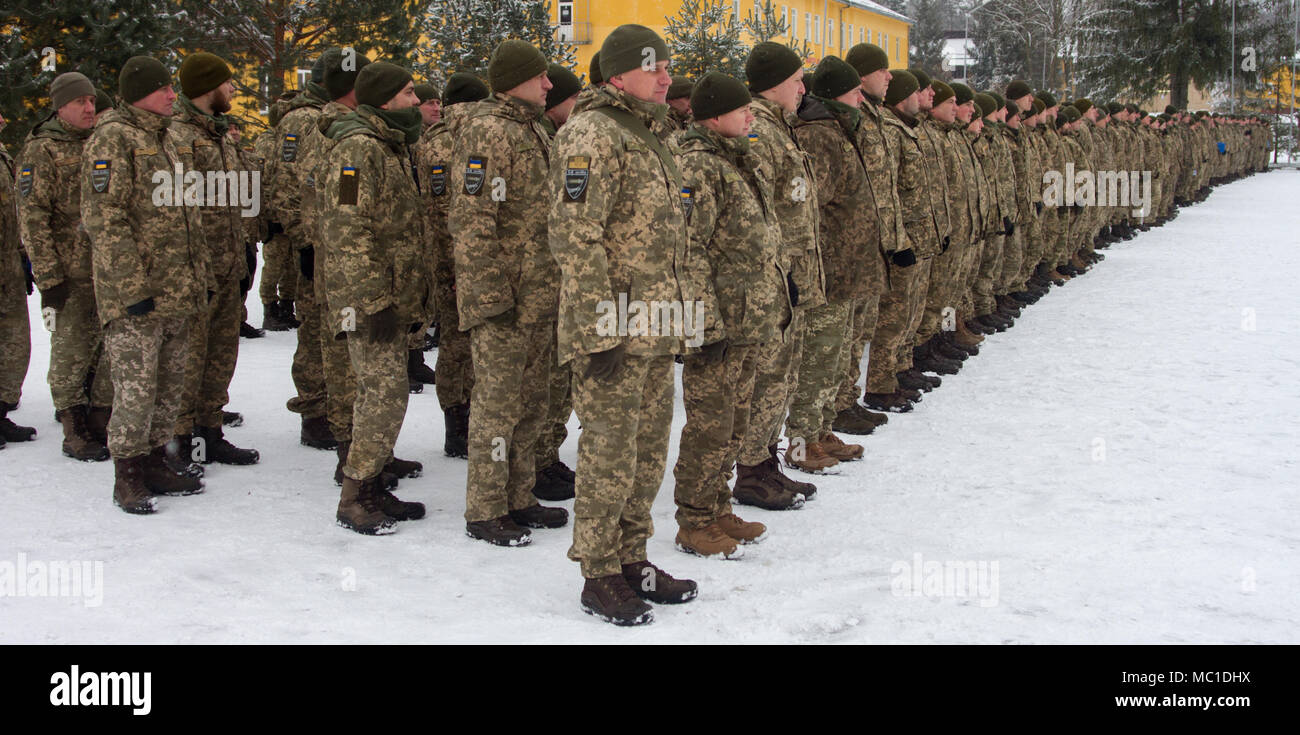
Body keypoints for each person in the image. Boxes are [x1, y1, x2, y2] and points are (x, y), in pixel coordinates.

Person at [549, 24, 700, 625]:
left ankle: (633, 558)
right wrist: (597, 331)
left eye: (667, 66)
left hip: (655, 323)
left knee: (645, 453)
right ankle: (598, 573)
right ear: (616, 75)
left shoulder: (650, 134)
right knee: (609, 454)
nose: (666, 77)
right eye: (653, 67)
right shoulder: (592, 133)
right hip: (612, 326)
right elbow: (573, 234)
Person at [449, 40, 568, 546]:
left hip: (538, 298)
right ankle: (486, 507)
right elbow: (472, 219)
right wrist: (490, 295)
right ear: (516, 79)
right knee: (497, 407)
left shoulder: (532, 130)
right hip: (505, 302)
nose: (548, 85)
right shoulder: (488, 131)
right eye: (540, 77)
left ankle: (519, 496)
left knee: (531, 404)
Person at [82, 56, 213, 512]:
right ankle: (129, 474)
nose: (172, 95)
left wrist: (199, 275)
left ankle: (158, 459)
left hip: (177, 289)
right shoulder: (113, 137)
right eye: (163, 89)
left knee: (168, 384)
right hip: (137, 294)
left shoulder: (169, 136)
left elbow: (187, 214)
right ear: (140, 91)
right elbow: (105, 218)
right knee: (136, 389)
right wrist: (132, 287)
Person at [317, 61, 430, 535]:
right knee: (381, 395)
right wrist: (374, 301)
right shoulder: (358, 150)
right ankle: (355, 495)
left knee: (389, 394)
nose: (416, 101)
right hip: (369, 301)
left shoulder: (393, 145)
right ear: (384, 100)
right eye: (408, 93)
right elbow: (346, 227)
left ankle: (373, 483)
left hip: (394, 296)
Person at [167, 52, 260, 469]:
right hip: (196, 271)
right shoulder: (178, 136)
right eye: (227, 82)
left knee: (221, 355)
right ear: (208, 87)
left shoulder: (219, 134)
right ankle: (181, 438)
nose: (233, 89)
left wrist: (242, 253)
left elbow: (235, 200)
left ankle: (209, 430)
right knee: (191, 357)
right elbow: (175, 211)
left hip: (227, 266)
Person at [17, 72, 110, 460]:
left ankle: (100, 419)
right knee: (71, 349)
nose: (89, 108)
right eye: (80, 102)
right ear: (60, 107)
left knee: (107, 349)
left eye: (91, 101)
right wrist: (49, 276)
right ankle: (73, 428)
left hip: (106, 268)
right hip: (69, 273)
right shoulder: (43, 150)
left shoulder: (101, 142)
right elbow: (32, 216)